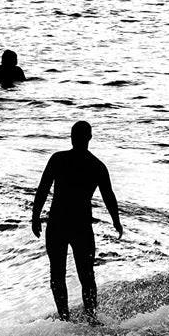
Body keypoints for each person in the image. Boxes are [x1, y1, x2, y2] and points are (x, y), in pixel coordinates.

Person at [31, 119, 123, 321]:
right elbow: (109, 196)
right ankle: (91, 318)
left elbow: (43, 188)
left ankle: (66, 318)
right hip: (80, 226)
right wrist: (116, 221)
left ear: (76, 137)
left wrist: (35, 215)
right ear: (88, 137)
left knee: (60, 274)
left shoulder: (59, 159)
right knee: (85, 275)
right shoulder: (97, 166)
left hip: (59, 224)